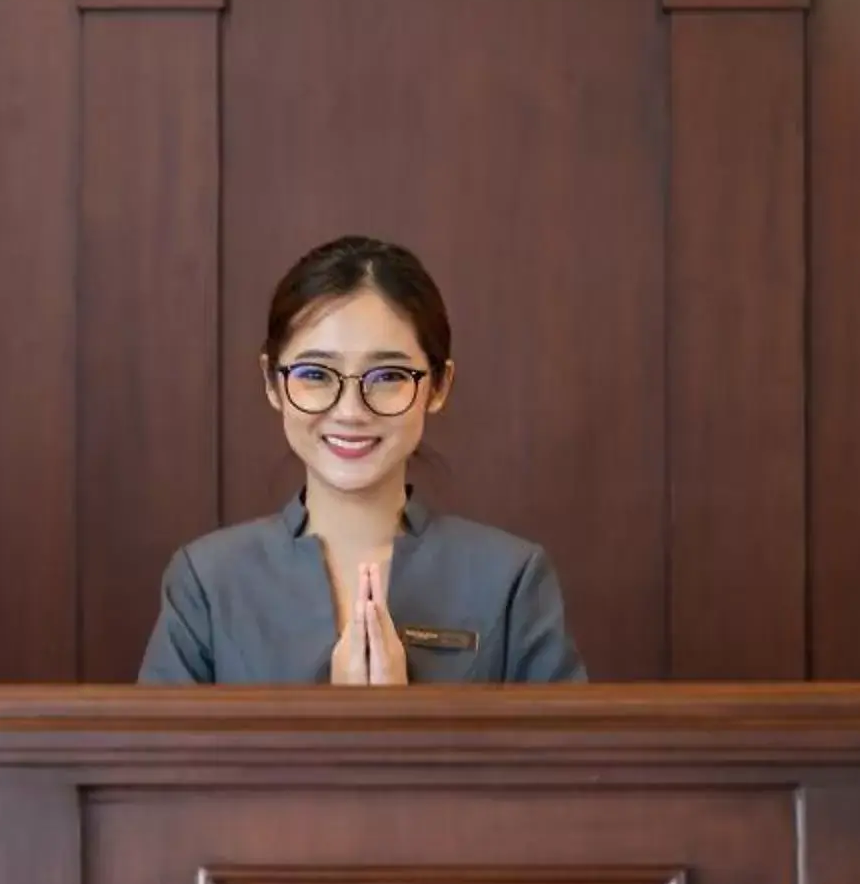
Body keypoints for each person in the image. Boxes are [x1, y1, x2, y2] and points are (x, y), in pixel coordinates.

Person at [141, 235, 584, 685]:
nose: (351, 410)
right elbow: (161, 756)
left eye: (388, 375)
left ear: (438, 386)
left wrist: (400, 720)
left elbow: (563, 755)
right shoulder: (207, 581)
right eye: (315, 374)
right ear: (273, 383)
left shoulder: (511, 578)